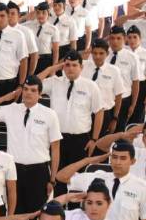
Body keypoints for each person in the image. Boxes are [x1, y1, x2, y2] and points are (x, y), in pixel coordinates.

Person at [0, 76, 62, 220]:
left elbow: (55, 148)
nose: (28, 93)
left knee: (39, 217)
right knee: (16, 218)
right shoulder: (11, 109)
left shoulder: (50, 115)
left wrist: (53, 179)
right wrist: (7, 97)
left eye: (33, 90)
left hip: (38, 171)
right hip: (15, 171)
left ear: (40, 94)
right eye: (26, 90)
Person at [38, 50, 104, 196]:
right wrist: (51, 69)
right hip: (58, 138)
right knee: (58, 177)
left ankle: (76, 212)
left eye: (74, 65)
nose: (70, 68)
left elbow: (99, 112)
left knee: (77, 179)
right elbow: (33, 85)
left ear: (81, 67)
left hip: (80, 139)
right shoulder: (55, 82)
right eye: (67, 65)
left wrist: (94, 139)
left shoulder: (91, 86)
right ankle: (59, 210)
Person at [82, 39, 125, 136]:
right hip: (84, 113)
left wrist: (114, 118)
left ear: (107, 53)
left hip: (105, 114)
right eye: (95, 53)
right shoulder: (83, 66)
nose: (97, 56)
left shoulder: (114, 71)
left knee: (98, 144)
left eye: (101, 53)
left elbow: (119, 95)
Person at [127, 25, 146, 125]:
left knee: (138, 115)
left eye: (135, 37)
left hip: (141, 87)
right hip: (127, 86)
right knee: (126, 114)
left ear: (140, 38)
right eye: (129, 37)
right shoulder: (124, 53)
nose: (132, 40)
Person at [25, 2, 61, 75]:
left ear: (48, 14)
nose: (40, 15)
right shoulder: (29, 25)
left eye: (44, 13)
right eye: (38, 13)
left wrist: (53, 70)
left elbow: (56, 51)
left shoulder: (53, 29)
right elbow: (16, 25)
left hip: (45, 61)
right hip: (31, 60)